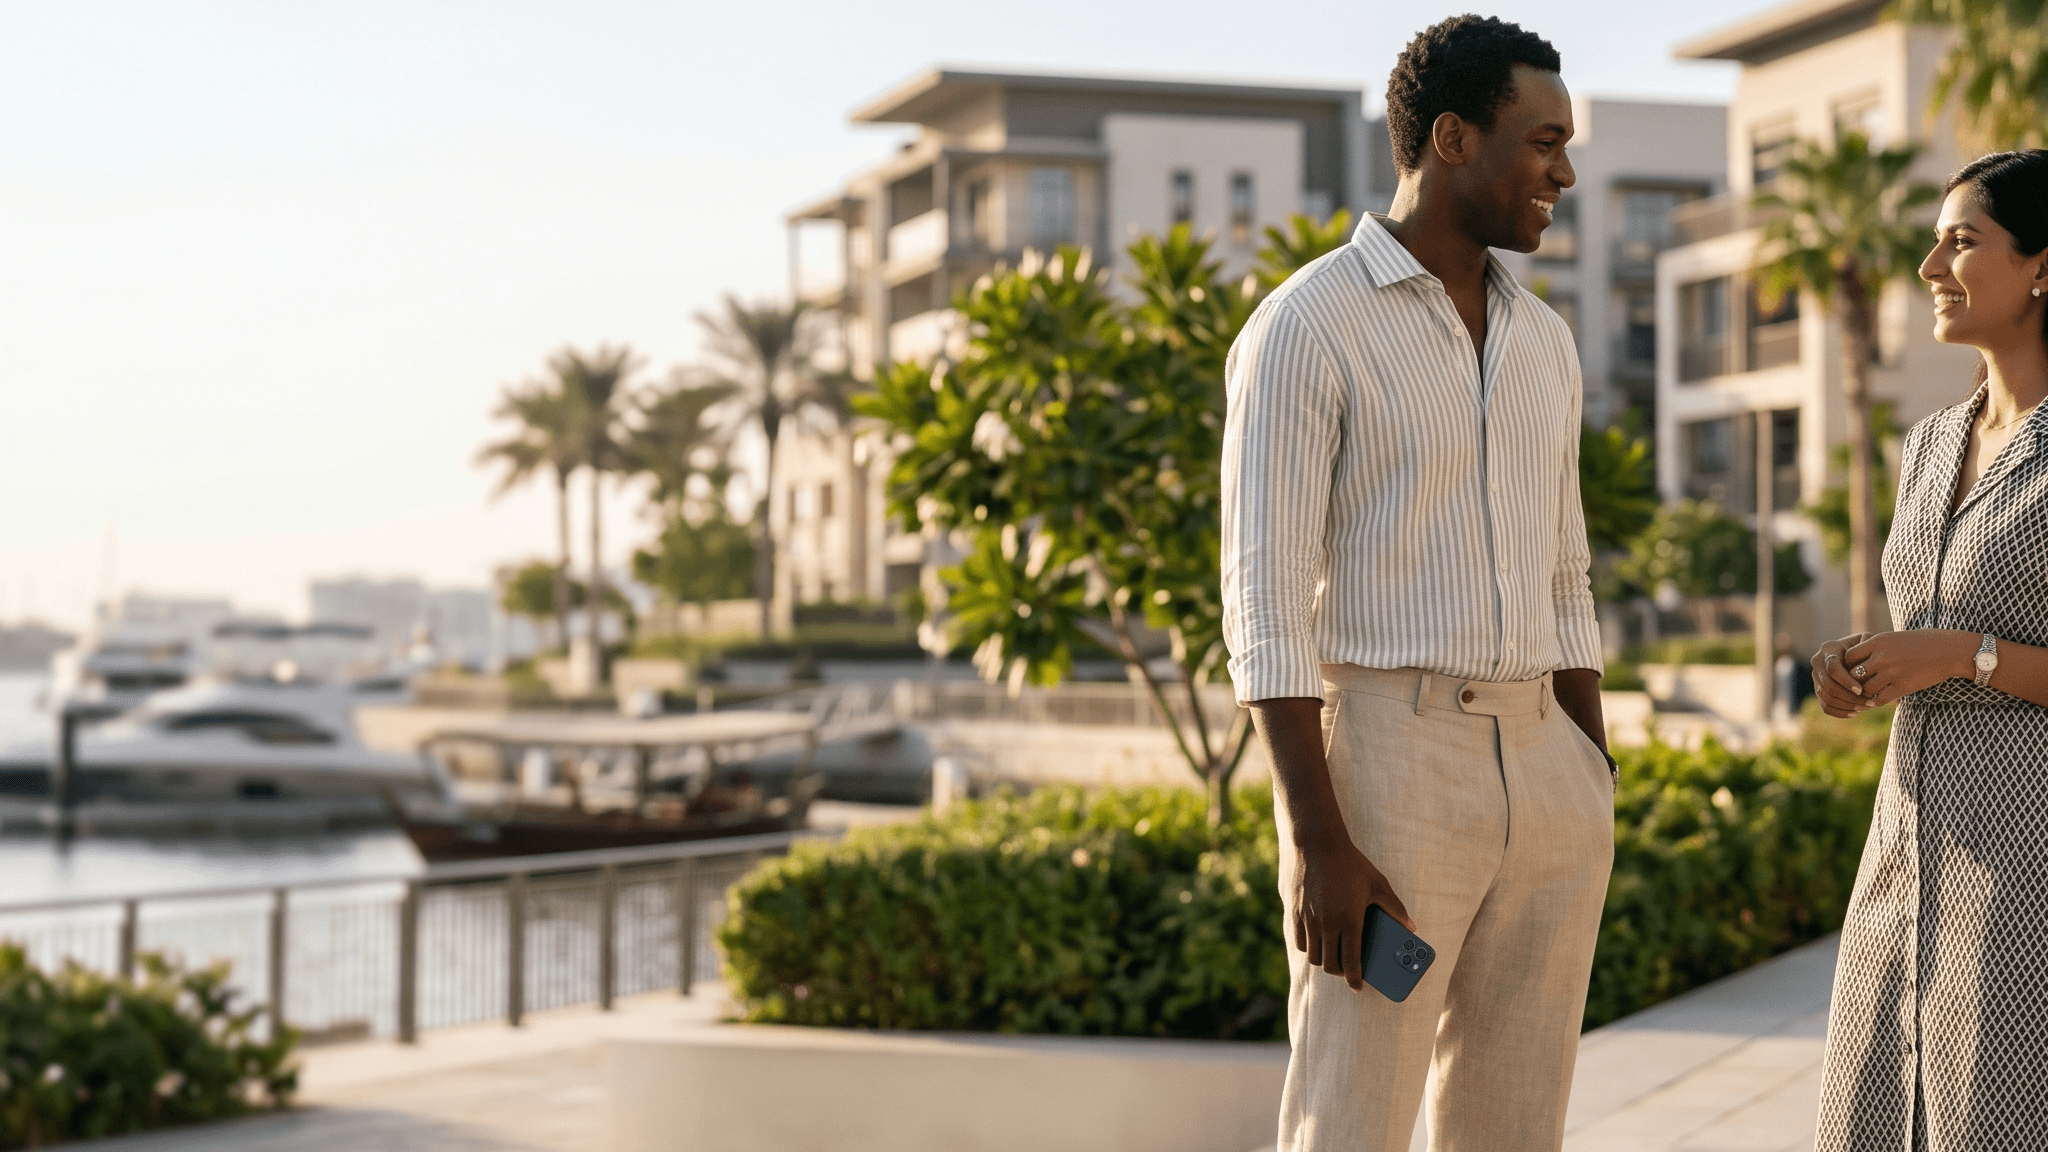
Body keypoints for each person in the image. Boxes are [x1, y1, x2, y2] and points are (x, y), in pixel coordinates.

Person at [1220, 15, 1614, 1151]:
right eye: (1542, 143)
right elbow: (1264, 597)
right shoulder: (1305, 325)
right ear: (1451, 139)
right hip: (1390, 767)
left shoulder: (1544, 341)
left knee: (1514, 1125)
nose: (1563, 174)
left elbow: (1565, 572)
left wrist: (1588, 771)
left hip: (1544, 766)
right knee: (1350, 1119)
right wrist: (1317, 840)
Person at [1812, 150, 2048, 1148]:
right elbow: (1925, 620)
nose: (1928, 266)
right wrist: (1858, 663)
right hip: (1903, 846)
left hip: (2026, 862)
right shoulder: (1928, 443)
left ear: (2041, 266)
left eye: (1962, 241)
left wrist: (1963, 655)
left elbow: (1956, 641)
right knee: (1871, 1112)